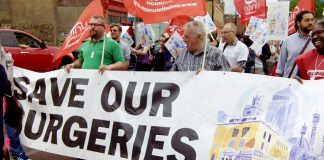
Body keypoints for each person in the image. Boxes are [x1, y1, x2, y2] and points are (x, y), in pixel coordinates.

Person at [276, 10, 315, 78]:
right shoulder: (287, 40)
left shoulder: (317, 40)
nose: (311, 22)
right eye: (307, 20)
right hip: (290, 82)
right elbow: (280, 67)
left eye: (312, 20)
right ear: (298, 23)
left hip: (309, 84)